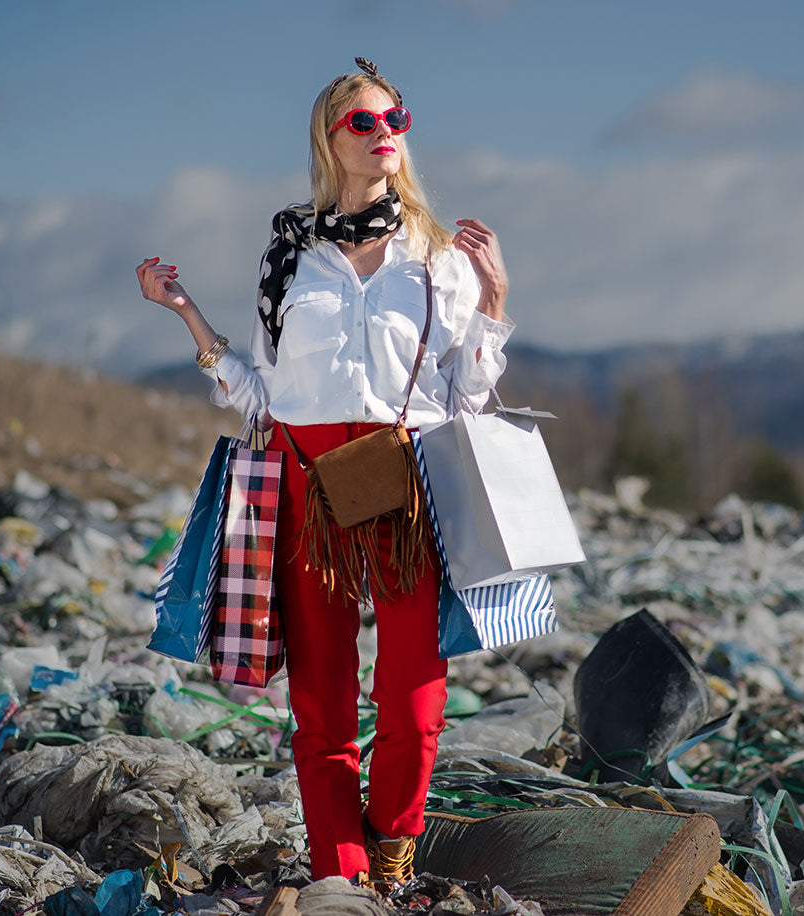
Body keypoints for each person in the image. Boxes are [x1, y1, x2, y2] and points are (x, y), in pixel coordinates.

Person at [135, 58, 514, 888]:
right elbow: (265, 395)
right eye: (366, 123)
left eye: (396, 120)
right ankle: (340, 871)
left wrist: (491, 302)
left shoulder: (438, 257)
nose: (386, 136)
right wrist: (186, 313)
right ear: (330, 139)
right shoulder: (290, 255)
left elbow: (468, 396)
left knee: (414, 693)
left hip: (406, 483)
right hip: (304, 477)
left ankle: (394, 845)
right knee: (320, 702)